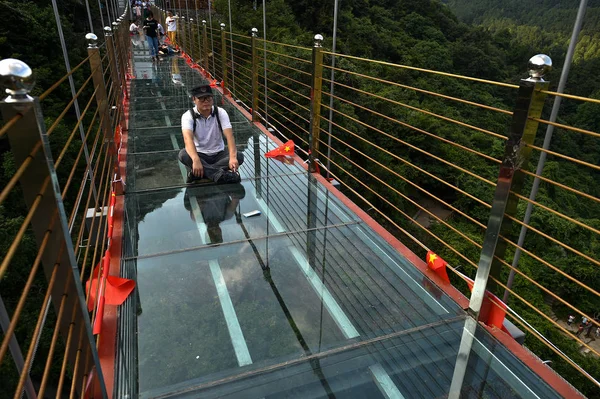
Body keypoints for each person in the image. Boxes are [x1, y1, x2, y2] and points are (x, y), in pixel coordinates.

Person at [178, 85, 244, 184]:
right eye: (201, 98)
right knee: (183, 155)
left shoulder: (220, 113)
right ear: (194, 99)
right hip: (200, 154)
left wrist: (233, 157)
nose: (206, 101)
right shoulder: (188, 116)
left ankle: (200, 173)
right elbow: (188, 139)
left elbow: (229, 136)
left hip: (219, 154)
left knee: (239, 156)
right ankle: (220, 175)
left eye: (208, 98)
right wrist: (196, 160)